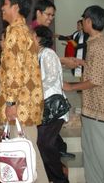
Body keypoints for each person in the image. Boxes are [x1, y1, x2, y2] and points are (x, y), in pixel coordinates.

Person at [63, 5, 104, 183]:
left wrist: (70, 86)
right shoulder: (95, 42)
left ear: (88, 21)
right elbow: (98, 69)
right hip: (92, 108)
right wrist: (84, 63)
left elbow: (97, 80)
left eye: (84, 19)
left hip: (100, 108)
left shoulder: (98, 45)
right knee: (91, 151)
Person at [0, 0, 49, 183]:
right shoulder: (25, 30)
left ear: (16, 7)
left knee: (28, 157)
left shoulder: (14, 31)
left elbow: (14, 71)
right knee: (26, 155)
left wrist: (11, 102)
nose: (2, 7)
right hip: (26, 104)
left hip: (20, 106)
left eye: (5, 3)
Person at [34, 25, 69, 183]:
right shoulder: (38, 54)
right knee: (43, 144)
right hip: (44, 107)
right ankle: (53, 176)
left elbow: (52, 77)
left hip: (53, 107)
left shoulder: (48, 53)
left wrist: (34, 90)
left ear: (39, 38)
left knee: (45, 143)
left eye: (33, 36)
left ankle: (60, 178)